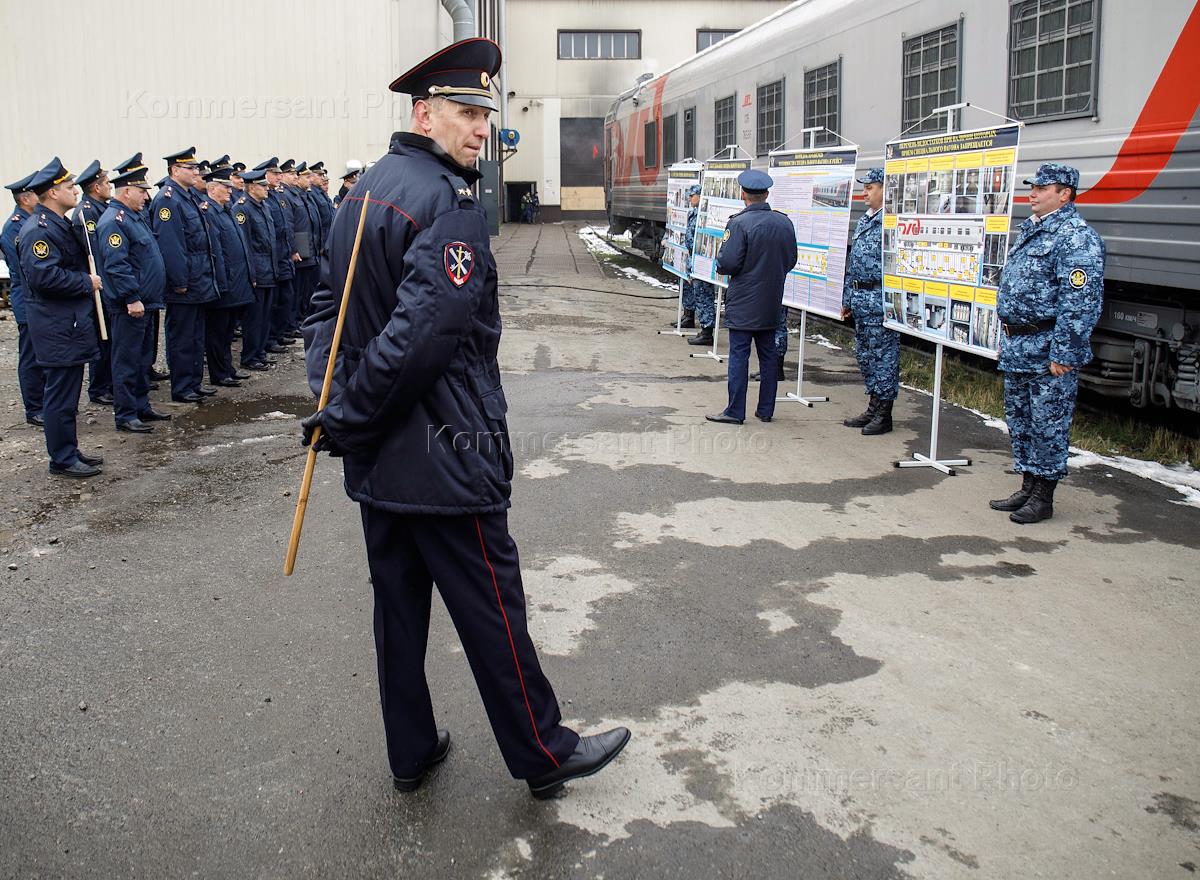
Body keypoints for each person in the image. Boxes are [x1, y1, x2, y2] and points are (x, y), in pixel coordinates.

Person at [301, 37, 629, 800]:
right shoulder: (447, 205)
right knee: (493, 611)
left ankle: (410, 752)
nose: (483, 128)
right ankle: (543, 753)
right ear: (425, 114)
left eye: (486, 114)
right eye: (467, 113)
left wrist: (337, 406)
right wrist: (347, 414)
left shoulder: (365, 190)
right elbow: (422, 339)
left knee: (398, 615)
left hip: (380, 460)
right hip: (446, 453)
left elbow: (324, 316)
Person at [990, 163, 1105, 524]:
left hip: (1046, 350)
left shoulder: (1076, 237)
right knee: (1021, 420)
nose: (1033, 194)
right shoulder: (1034, 230)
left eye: (1041, 188)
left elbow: (1081, 302)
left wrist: (1065, 353)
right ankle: (1028, 485)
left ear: (1064, 194)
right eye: (1033, 187)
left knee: (1048, 424)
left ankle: (1044, 497)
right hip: (1019, 346)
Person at [18, 158, 104, 478]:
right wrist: (85, 281)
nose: (75, 191)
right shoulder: (38, 230)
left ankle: (68, 449)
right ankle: (62, 458)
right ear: (53, 193)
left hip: (68, 322)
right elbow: (44, 277)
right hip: (56, 324)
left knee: (68, 394)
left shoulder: (59, 224)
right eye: (69, 187)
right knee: (59, 394)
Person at [705, 169, 796, 425]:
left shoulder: (738, 224)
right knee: (768, 356)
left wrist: (722, 265)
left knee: (739, 356)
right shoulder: (784, 223)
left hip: (743, 302)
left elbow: (728, 263)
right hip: (771, 301)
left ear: (743, 194)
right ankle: (765, 410)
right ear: (766, 194)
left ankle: (735, 411)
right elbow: (791, 259)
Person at [94, 163, 171, 433]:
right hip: (130, 305)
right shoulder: (114, 221)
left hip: (145, 302)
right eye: (142, 191)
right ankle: (126, 414)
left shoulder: (133, 217)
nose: (146, 197)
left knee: (142, 358)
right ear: (126, 191)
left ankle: (141, 405)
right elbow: (117, 265)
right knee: (126, 361)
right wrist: (131, 297)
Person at [151, 147, 219, 403]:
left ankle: (193, 382)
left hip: (198, 278)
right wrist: (179, 281)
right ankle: (181, 386)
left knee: (195, 335)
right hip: (185, 283)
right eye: (190, 168)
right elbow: (171, 246)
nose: (195, 172)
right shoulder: (168, 200)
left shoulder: (187, 196)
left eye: (196, 168)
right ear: (175, 170)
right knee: (182, 337)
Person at [840, 168, 899, 436]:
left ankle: (884, 413)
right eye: (864, 188)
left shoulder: (891, 222)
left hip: (879, 301)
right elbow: (852, 265)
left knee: (884, 357)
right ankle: (873, 407)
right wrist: (847, 298)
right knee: (865, 356)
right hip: (861, 300)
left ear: (885, 189)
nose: (864, 193)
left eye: (870, 187)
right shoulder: (866, 220)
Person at [202, 164, 255, 387]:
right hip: (224, 282)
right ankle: (219, 373)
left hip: (236, 281)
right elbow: (215, 251)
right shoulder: (209, 212)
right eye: (225, 187)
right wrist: (221, 282)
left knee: (227, 331)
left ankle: (228, 368)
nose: (230, 190)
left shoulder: (226, 210)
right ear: (213, 189)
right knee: (218, 331)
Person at [2, 172, 46, 426]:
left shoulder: (33, 221)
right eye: (36, 194)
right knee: (31, 357)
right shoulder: (14, 227)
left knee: (44, 354)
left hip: (38, 301)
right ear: (25, 198)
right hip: (27, 301)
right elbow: (24, 269)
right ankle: (34, 408)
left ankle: (46, 403)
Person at [72, 160, 115, 406]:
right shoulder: (86, 212)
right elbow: (93, 252)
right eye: (106, 183)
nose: (110, 186)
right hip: (98, 284)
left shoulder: (101, 208)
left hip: (106, 282)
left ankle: (109, 382)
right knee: (102, 337)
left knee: (110, 337)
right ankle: (99, 388)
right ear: (96, 188)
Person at [235, 169, 278, 372]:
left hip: (269, 269)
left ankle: (260, 352)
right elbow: (245, 246)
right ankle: (250, 356)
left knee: (265, 315)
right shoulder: (242, 209)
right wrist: (251, 274)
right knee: (254, 318)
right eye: (263, 186)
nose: (267, 188)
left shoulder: (264, 207)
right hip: (257, 272)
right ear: (252, 188)